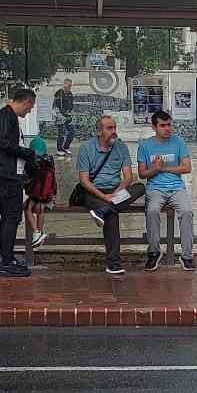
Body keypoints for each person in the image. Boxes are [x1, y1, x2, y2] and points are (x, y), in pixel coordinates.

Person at [0, 88, 37, 278]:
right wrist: (27, 153)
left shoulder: (6, 116)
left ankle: (9, 257)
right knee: (11, 217)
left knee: (10, 217)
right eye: (30, 108)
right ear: (26, 102)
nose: (28, 112)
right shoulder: (7, 117)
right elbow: (5, 144)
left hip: (9, 173)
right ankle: (7, 261)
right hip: (7, 174)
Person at [74, 115, 140, 275]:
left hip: (115, 191)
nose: (114, 132)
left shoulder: (121, 147)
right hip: (92, 192)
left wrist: (116, 193)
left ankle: (102, 211)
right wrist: (105, 198)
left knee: (139, 188)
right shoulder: (86, 148)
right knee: (112, 214)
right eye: (109, 128)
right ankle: (114, 264)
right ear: (98, 132)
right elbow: (84, 181)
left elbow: (128, 177)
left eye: (115, 128)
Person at [137, 109, 195, 272]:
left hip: (176, 188)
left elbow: (187, 168)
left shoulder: (179, 142)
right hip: (155, 188)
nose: (167, 129)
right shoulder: (145, 146)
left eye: (169, 125)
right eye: (163, 125)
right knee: (152, 210)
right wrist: (155, 169)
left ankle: (187, 256)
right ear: (154, 127)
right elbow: (142, 174)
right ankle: (154, 252)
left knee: (187, 212)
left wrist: (164, 168)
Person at [24, 135, 55, 250]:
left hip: (35, 193)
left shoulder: (32, 161)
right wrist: (53, 195)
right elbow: (53, 179)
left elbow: (27, 179)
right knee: (40, 209)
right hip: (46, 195)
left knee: (28, 208)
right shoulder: (49, 160)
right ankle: (40, 232)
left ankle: (37, 232)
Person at [54, 79, 77, 154]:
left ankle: (65, 147)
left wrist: (71, 114)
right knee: (61, 133)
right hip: (60, 115)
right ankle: (59, 150)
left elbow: (71, 106)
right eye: (68, 85)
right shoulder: (59, 93)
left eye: (70, 85)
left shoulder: (70, 94)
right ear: (64, 84)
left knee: (72, 132)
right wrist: (59, 115)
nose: (69, 87)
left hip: (68, 115)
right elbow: (55, 106)